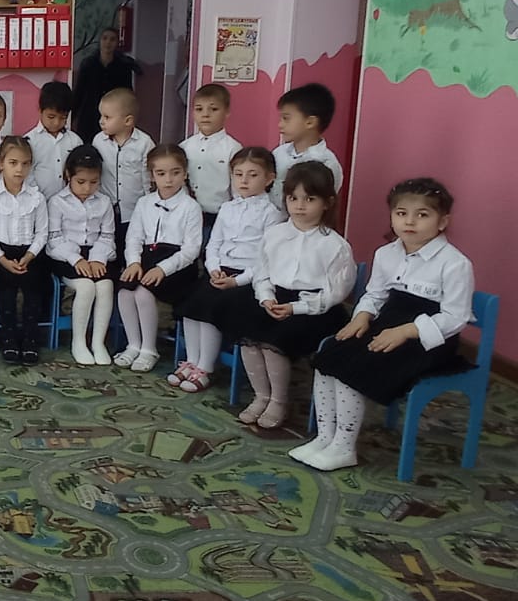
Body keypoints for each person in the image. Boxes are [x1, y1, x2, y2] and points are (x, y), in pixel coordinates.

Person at [299, 178, 474, 471]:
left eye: (422, 215)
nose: (410, 222)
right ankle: (325, 437)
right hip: (387, 324)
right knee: (329, 357)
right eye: (402, 213)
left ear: (443, 221)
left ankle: (343, 446)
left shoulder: (455, 264)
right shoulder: (386, 253)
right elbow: (375, 294)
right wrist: (362, 316)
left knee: (353, 369)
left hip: (428, 339)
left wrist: (407, 331)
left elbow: (455, 317)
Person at [228, 161, 356, 430]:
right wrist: (266, 297)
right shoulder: (275, 234)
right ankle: (261, 395)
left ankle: (278, 400)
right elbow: (261, 272)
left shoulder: (335, 245)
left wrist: (296, 308)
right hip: (276, 298)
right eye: (293, 198)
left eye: (309, 199)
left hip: (315, 309)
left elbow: (336, 293)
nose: (299, 206)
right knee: (249, 336)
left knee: (275, 341)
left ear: (327, 202)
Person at [171, 147, 282, 392]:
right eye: (238, 174)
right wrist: (213, 269)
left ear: (269, 178)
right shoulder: (227, 208)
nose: (244, 180)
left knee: (212, 308)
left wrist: (237, 281)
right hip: (220, 271)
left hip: (247, 280)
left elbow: (265, 261)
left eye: (253, 175)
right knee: (192, 302)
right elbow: (214, 244)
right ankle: (192, 360)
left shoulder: (272, 215)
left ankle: (205, 367)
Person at [115, 145, 202, 373]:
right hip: (146, 259)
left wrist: (163, 269)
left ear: (185, 173)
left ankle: (149, 348)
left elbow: (191, 250)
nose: (168, 179)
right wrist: (133, 262)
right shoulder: (144, 203)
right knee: (125, 291)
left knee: (143, 292)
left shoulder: (191, 207)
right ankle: (133, 344)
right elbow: (134, 237)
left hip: (178, 267)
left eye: (175, 172)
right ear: (152, 176)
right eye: (161, 173)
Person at [0, 136, 48, 365]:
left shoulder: (37, 198)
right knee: (6, 289)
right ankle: (8, 338)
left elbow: (42, 233)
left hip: (29, 253)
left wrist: (29, 255)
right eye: (13, 163)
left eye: (25, 164)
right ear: (1, 164)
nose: (19, 169)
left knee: (34, 288)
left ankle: (30, 338)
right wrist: (2, 259)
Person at [45, 146, 116, 366]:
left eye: (94, 182)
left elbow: (107, 236)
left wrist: (97, 258)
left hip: (97, 254)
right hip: (65, 256)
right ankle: (79, 342)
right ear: (69, 175)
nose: (87, 188)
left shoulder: (104, 202)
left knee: (105, 286)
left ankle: (98, 342)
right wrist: (77, 259)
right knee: (86, 287)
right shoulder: (57, 201)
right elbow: (54, 238)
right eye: (81, 182)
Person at [93, 88, 156, 263]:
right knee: (109, 250)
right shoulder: (98, 141)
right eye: (101, 116)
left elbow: (147, 179)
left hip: (133, 209)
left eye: (107, 117)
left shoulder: (145, 143)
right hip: (106, 208)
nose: (101, 121)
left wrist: (149, 208)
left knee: (131, 248)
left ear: (128, 121)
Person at [180, 83, 243, 230]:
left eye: (213, 109)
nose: (205, 114)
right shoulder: (185, 146)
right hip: (187, 215)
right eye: (199, 109)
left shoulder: (233, 148)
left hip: (219, 216)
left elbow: (238, 188)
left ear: (227, 112)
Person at [272, 83, 344, 210]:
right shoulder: (278, 153)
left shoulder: (327, 162)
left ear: (310, 122)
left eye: (286, 118)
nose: (280, 124)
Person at [72, 27, 141, 142]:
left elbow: (127, 93)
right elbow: (79, 92)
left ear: (117, 43)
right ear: (100, 41)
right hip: (89, 114)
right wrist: (71, 116)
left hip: (114, 116)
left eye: (112, 39)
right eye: (105, 38)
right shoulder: (88, 64)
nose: (108, 42)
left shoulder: (123, 66)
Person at [25, 80, 82, 199]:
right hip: (38, 200)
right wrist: (37, 197)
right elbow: (27, 174)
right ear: (40, 110)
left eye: (63, 117)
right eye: (51, 117)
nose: (56, 122)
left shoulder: (75, 141)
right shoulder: (30, 141)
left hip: (68, 202)